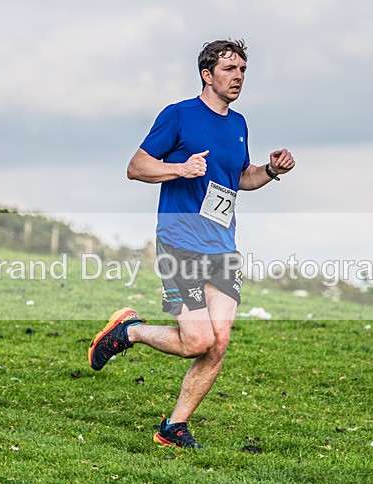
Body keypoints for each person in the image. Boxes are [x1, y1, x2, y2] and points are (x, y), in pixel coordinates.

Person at [88, 39, 295, 449]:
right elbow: (136, 167)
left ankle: (173, 428)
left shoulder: (239, 125)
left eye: (242, 71)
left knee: (218, 341)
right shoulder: (178, 115)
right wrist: (179, 168)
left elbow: (239, 179)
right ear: (207, 74)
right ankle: (130, 331)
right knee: (197, 341)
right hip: (180, 239)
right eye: (229, 69)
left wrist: (270, 170)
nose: (237, 78)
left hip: (223, 245)